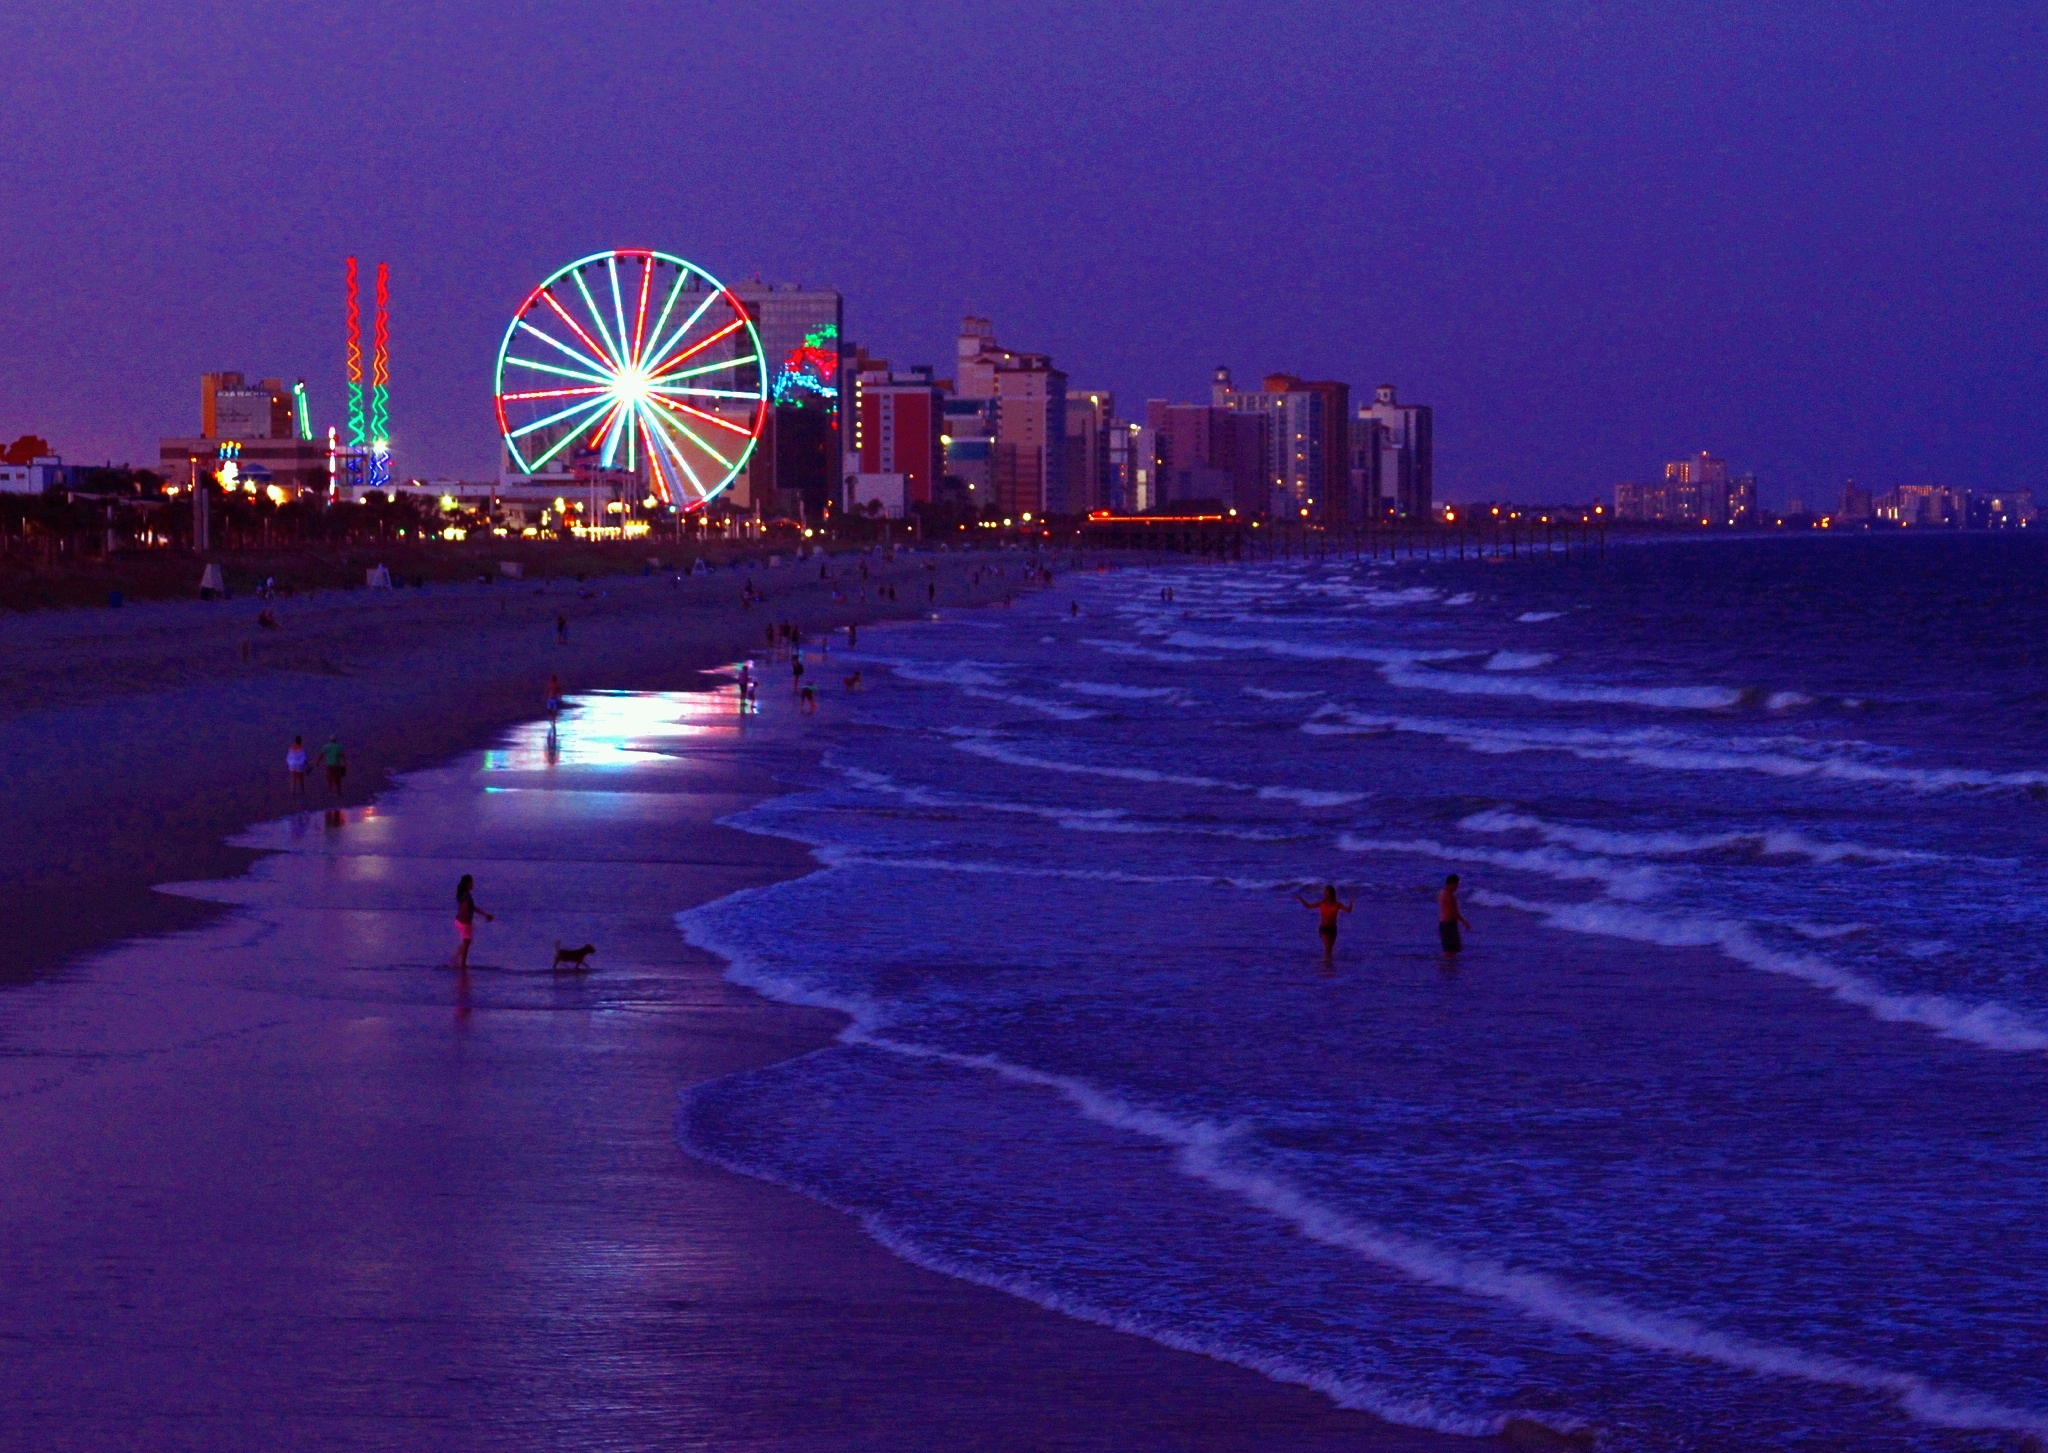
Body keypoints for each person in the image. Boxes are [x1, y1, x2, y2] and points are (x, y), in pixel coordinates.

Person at [1296, 884, 1355, 961]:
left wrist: (1351, 903)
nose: (1324, 893)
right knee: (1327, 947)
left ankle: (1329, 965)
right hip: (1324, 928)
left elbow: (1348, 910)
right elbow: (1309, 906)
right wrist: (1301, 899)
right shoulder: (1321, 903)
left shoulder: (1337, 904)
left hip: (1333, 929)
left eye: (1326, 892)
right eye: (1324, 892)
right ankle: (1324, 964)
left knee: (1329, 950)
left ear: (1331, 893)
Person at [453, 874, 493, 969]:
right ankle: (462, 964)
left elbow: (472, 908)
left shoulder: (466, 894)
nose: (473, 884)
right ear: (467, 883)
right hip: (464, 922)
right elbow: (464, 909)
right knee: (466, 942)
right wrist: (467, 921)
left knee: (466, 942)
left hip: (461, 921)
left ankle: (457, 960)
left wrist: (485, 914)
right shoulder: (466, 895)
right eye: (471, 882)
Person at [1439, 874, 1472, 954]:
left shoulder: (1442, 893)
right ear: (1451, 884)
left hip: (1444, 923)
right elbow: (1454, 912)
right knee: (1450, 951)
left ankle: (1447, 962)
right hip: (1448, 924)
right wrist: (1465, 922)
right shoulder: (1449, 896)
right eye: (1456, 885)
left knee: (1449, 949)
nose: (1457, 887)